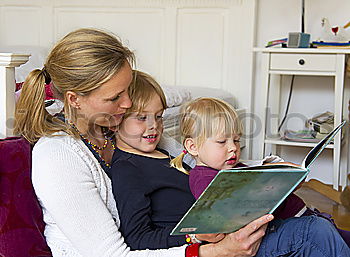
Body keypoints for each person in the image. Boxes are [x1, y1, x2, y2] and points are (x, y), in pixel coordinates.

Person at [13, 27, 278, 257]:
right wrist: (210, 251)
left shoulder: (117, 129)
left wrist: (267, 169)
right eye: (115, 97)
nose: (128, 104)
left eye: (128, 89)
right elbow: (112, 254)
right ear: (74, 100)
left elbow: (194, 159)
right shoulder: (58, 156)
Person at [170, 97, 350, 255]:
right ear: (193, 147)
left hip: (300, 216)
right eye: (222, 141)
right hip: (278, 229)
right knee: (326, 237)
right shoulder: (203, 178)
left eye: (237, 140)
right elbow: (228, 214)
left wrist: (287, 180)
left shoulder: (232, 167)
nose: (233, 147)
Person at [109, 70, 196, 250]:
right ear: (115, 121)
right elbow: (138, 238)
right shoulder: (128, 168)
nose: (153, 126)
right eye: (141, 118)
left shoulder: (162, 151)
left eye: (158, 116)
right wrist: (192, 236)